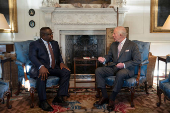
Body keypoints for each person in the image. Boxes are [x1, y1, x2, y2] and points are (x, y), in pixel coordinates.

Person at [93, 26, 141, 111]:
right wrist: (104, 59)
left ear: (121, 34)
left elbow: (137, 60)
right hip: (114, 67)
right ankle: (104, 96)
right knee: (98, 71)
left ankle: (112, 99)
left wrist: (124, 65)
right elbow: (109, 56)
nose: (112, 35)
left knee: (121, 73)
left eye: (114, 33)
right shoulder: (113, 44)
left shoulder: (132, 45)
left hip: (126, 69)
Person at [29, 27, 70, 111]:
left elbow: (58, 56)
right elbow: (32, 57)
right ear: (43, 35)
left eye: (52, 33)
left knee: (66, 72)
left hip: (53, 68)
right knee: (42, 75)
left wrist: (62, 62)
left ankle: (59, 97)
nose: (52, 35)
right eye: (50, 34)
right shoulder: (35, 44)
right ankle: (42, 101)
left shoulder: (54, 43)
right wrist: (41, 66)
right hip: (42, 68)